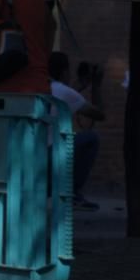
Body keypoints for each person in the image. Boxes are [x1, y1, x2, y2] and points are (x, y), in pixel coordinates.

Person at [50, 51, 105, 210]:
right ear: (64, 72)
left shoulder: (42, 86)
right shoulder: (65, 92)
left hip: (38, 155)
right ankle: (73, 192)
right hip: (53, 156)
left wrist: (78, 86)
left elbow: (63, 96)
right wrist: (96, 86)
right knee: (91, 138)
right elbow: (100, 114)